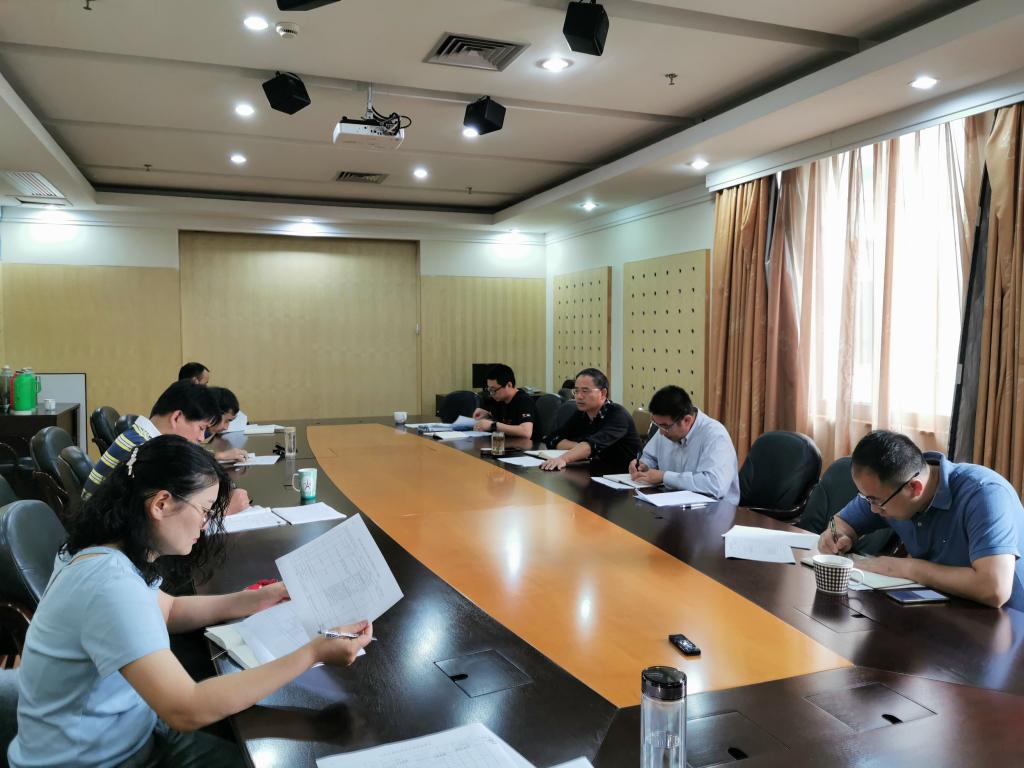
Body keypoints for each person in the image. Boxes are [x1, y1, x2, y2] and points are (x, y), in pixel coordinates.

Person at [8, 436, 371, 768]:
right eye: (205, 509)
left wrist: (259, 598)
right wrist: (312, 653)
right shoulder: (109, 585)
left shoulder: (104, 550)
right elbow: (186, 707)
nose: (206, 524)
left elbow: (169, 609)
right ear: (161, 504)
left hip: (130, 732)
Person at [819, 430, 1024, 610]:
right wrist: (838, 535)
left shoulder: (984, 494)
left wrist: (906, 568)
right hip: (941, 607)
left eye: (876, 501)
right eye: (867, 498)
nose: (872, 509)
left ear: (914, 488)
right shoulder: (890, 488)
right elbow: (841, 521)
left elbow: (994, 588)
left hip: (1007, 620)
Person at [83, 382, 249, 513]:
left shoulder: (143, 437)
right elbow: (156, 518)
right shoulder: (145, 450)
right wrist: (223, 511)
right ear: (177, 417)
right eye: (201, 428)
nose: (201, 437)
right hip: (103, 535)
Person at [629, 385, 739, 504]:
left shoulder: (715, 435)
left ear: (687, 420)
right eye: (657, 425)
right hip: (673, 502)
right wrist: (642, 466)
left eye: (665, 426)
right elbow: (649, 457)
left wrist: (664, 477)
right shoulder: (667, 428)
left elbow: (714, 485)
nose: (661, 432)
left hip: (714, 509)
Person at [541, 368, 641, 472]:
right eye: (576, 391)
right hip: (595, 469)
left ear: (603, 393)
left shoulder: (618, 415)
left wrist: (563, 458)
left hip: (624, 474)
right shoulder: (582, 413)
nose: (579, 396)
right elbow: (552, 439)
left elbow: (592, 446)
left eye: (585, 391)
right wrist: (578, 447)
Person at [471, 364, 537, 440]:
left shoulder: (524, 401)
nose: (491, 394)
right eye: (489, 389)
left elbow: (526, 432)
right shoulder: (500, 399)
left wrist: (493, 425)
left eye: (494, 390)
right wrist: (487, 414)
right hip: (508, 443)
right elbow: (499, 419)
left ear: (509, 385)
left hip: (529, 445)